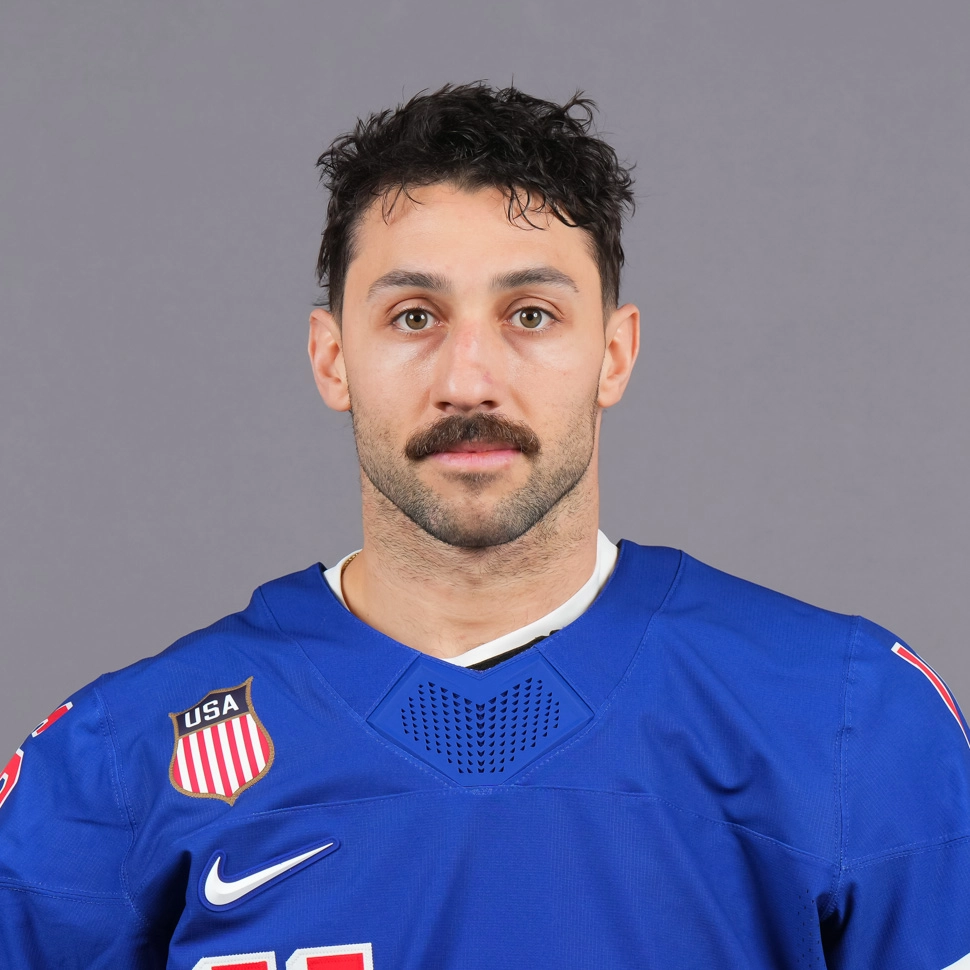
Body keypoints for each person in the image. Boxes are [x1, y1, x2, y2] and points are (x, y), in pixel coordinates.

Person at [1, 83, 968, 970]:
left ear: (615, 353)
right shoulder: (117, 762)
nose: (469, 380)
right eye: (414, 317)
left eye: (531, 315)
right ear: (332, 359)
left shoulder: (848, 716)